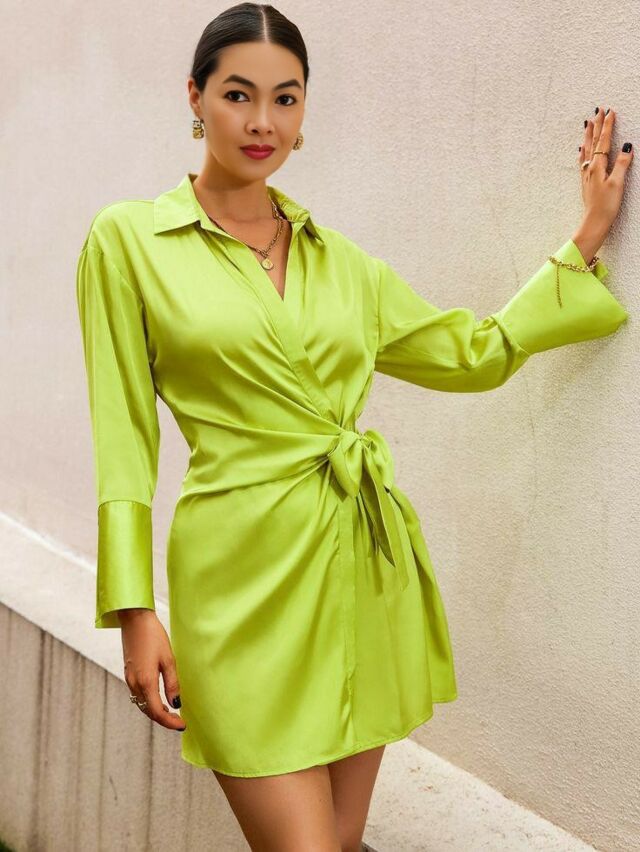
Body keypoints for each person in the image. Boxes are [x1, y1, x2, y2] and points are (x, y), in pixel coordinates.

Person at [75, 3, 633, 850]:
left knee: (336, 843)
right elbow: (122, 436)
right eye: (238, 94)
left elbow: (473, 354)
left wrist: (585, 238)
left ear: (304, 110)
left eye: (286, 98)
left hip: (358, 568)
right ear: (195, 97)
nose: (263, 122)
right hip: (236, 584)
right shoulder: (128, 241)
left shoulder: (345, 266)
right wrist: (132, 608)